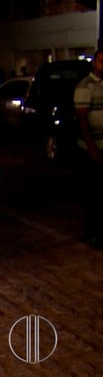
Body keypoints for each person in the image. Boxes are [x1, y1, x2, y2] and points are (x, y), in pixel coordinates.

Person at [73, 49, 103, 250]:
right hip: (93, 148)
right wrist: (91, 146)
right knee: (95, 194)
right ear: (94, 63)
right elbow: (82, 119)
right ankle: (94, 234)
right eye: (102, 61)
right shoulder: (86, 86)